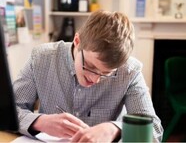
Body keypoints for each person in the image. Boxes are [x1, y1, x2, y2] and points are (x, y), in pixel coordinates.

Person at [14, 10, 163, 142]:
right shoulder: (41, 58)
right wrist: (40, 122)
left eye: (107, 74)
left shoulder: (130, 71)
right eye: (90, 67)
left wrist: (114, 129)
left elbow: (154, 130)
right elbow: (8, 112)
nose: (95, 79)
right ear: (77, 41)